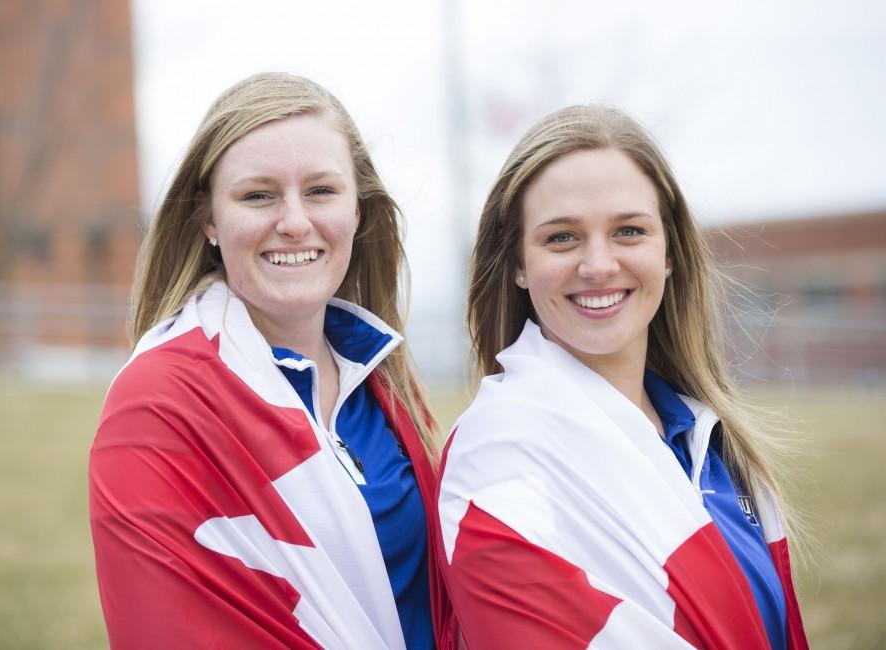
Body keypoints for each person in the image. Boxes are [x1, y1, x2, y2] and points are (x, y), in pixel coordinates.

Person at [89, 72, 454, 649]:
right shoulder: (159, 402)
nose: (293, 222)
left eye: (321, 191)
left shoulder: (380, 375)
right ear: (208, 220)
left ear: (358, 210)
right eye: (258, 195)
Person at [436, 105, 808, 649]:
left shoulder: (707, 437)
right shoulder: (499, 455)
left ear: (669, 253)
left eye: (628, 230)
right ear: (517, 263)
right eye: (561, 238)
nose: (598, 265)